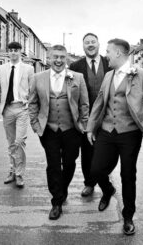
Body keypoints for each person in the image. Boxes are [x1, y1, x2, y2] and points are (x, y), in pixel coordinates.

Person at [86, 39, 143, 235]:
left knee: (128, 175)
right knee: (96, 170)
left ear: (118, 54)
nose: (105, 55)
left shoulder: (141, 75)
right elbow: (99, 103)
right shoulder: (108, 76)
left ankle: (128, 216)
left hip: (130, 134)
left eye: (108, 52)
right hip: (106, 131)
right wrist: (90, 128)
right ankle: (107, 190)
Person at [29, 45, 89, 220]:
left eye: (62, 57)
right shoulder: (38, 78)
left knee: (69, 164)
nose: (58, 60)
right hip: (49, 130)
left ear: (66, 59)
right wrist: (35, 124)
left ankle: (63, 189)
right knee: (53, 165)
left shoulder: (77, 77)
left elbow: (84, 104)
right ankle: (56, 202)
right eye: (55, 57)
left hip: (72, 130)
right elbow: (32, 102)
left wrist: (83, 124)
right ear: (48, 58)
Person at [0, 42, 34, 188]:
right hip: (7, 109)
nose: (13, 53)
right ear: (8, 52)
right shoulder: (2, 68)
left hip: (22, 109)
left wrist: (30, 103)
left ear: (20, 52)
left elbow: (33, 89)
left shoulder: (28, 69)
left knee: (19, 142)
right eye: (11, 50)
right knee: (11, 143)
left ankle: (19, 174)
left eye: (16, 50)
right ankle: (12, 171)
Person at [69, 33, 111, 197]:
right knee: (87, 152)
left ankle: (104, 181)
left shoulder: (109, 63)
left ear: (99, 44)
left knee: (107, 152)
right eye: (87, 43)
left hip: (107, 116)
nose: (90, 45)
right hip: (85, 117)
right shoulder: (75, 66)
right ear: (83, 46)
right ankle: (89, 183)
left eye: (93, 42)